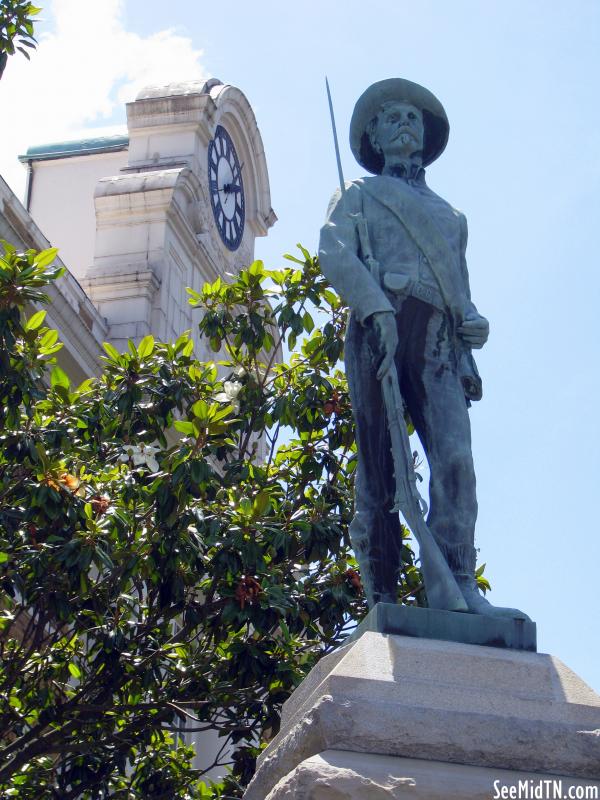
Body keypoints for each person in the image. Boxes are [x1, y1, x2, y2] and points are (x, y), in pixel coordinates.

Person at [318, 78, 527, 618]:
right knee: (380, 466)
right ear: (375, 136)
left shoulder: (452, 219)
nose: (405, 123)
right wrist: (376, 304)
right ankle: (382, 593)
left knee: (456, 460)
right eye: (392, 118)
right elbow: (335, 255)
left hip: (437, 338)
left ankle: (460, 582)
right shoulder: (358, 196)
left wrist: (473, 324)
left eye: (413, 117)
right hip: (380, 325)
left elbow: (462, 294)